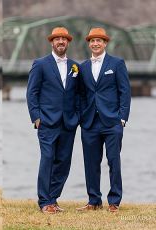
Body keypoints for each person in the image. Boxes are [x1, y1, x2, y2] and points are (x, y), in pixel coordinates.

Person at [26, 27, 81, 214]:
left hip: (69, 122)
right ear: (51, 42)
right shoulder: (40, 64)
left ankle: (53, 199)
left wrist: (78, 115)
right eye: (57, 39)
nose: (60, 42)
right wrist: (36, 117)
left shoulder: (75, 66)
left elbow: (79, 94)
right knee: (48, 158)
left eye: (64, 39)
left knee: (64, 162)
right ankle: (44, 201)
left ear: (68, 42)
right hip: (47, 122)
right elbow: (32, 92)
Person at [76, 28, 130, 213]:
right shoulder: (82, 67)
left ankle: (114, 201)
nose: (96, 44)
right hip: (89, 123)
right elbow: (81, 95)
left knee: (114, 161)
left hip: (112, 122)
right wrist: (82, 117)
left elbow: (125, 92)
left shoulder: (117, 63)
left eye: (99, 40)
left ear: (105, 43)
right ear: (89, 44)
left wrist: (122, 118)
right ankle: (94, 200)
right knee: (90, 163)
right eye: (92, 41)